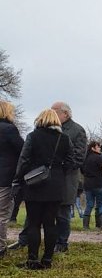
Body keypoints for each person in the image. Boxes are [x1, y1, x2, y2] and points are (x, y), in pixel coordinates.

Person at [13, 109, 72, 269]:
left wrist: (18, 179)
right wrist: (58, 173)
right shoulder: (64, 138)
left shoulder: (33, 136)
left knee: (33, 223)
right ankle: (47, 260)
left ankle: (32, 259)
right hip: (56, 185)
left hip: (34, 183)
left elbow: (24, 160)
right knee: (50, 223)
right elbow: (71, 162)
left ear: (40, 120)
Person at [50, 101, 87, 253]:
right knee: (48, 211)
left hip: (67, 177)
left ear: (65, 113)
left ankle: (62, 243)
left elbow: (79, 156)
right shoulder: (49, 128)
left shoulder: (77, 130)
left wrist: (60, 166)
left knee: (63, 212)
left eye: (55, 110)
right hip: (50, 177)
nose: (52, 113)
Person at [0, 101, 24, 258]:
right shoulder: (9, 129)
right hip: (5, 177)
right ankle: (0, 246)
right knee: (2, 214)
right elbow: (23, 151)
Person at [81, 141, 102, 230]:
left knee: (89, 204)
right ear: (93, 148)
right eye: (98, 147)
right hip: (99, 184)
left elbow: (82, 171)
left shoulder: (85, 159)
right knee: (101, 204)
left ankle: (85, 226)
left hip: (88, 185)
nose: (100, 148)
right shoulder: (99, 159)